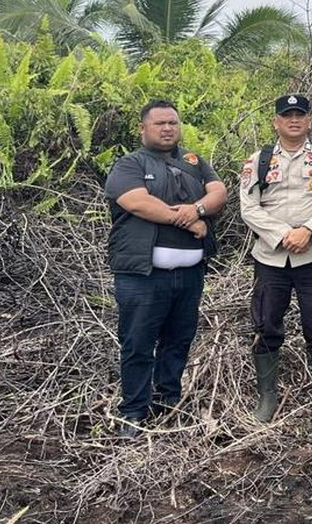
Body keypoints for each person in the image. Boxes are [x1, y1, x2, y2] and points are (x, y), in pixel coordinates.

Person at [105, 99, 227, 438]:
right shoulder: (128, 164)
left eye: (172, 122)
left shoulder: (194, 161)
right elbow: (137, 202)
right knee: (138, 343)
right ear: (142, 128)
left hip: (189, 277)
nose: (167, 128)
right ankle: (133, 413)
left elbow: (218, 192)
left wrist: (199, 208)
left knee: (178, 340)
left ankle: (167, 403)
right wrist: (190, 221)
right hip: (142, 276)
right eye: (159, 123)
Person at [239, 94, 312, 422]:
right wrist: (282, 235)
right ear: (276, 121)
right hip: (270, 258)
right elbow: (249, 207)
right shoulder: (258, 159)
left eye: (299, 115)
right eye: (286, 115)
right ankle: (267, 399)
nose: (293, 120)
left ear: (309, 121)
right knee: (266, 324)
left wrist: (309, 231)